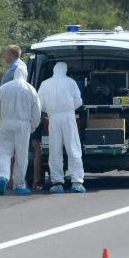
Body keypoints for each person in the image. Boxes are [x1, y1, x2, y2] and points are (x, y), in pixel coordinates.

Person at [0, 67, 41, 196]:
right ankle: (19, 185)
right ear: (25, 74)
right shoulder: (30, 89)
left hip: (6, 122)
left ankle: (2, 176)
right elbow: (37, 111)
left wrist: (1, 118)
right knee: (21, 155)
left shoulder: (4, 87)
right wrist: (32, 126)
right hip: (23, 125)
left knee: (3, 152)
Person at [37, 61, 86, 193]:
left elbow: (40, 104)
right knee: (73, 148)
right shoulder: (71, 82)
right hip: (69, 117)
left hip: (53, 118)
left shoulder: (45, 84)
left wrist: (50, 111)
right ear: (64, 70)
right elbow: (79, 101)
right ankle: (77, 181)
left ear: (54, 70)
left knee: (55, 150)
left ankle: (57, 182)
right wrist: (69, 109)